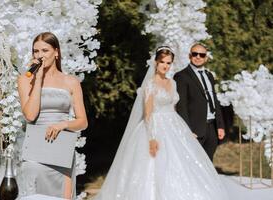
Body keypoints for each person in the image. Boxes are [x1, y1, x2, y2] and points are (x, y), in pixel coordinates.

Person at [94, 46, 229, 200]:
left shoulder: (172, 83)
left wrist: (184, 130)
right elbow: (148, 114)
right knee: (155, 168)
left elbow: (175, 107)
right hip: (155, 126)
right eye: (162, 62)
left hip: (174, 125)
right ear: (156, 63)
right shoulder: (150, 84)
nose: (165, 66)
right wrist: (151, 138)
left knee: (182, 165)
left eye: (169, 63)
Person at [17, 32, 88, 199]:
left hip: (61, 151)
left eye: (45, 50)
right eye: (36, 51)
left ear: (56, 52)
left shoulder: (71, 82)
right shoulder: (25, 80)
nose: (40, 55)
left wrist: (63, 125)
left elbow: (83, 122)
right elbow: (30, 114)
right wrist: (39, 78)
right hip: (35, 152)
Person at [174, 43, 225, 161]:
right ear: (189, 56)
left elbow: (214, 101)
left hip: (212, 128)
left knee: (208, 164)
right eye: (195, 54)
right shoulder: (181, 76)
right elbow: (181, 106)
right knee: (193, 164)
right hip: (195, 130)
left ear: (206, 58)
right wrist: (188, 130)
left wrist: (220, 126)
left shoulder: (209, 75)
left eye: (201, 55)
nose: (198, 57)